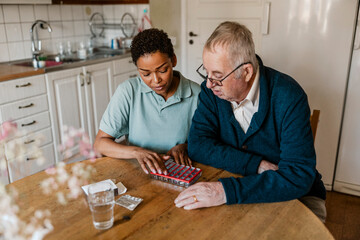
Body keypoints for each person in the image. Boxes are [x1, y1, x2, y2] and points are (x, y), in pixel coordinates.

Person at [174, 21, 327, 222]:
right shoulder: (211, 92)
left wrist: (224, 191)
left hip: (297, 196)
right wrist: (255, 165)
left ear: (246, 72)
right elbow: (198, 145)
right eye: (206, 72)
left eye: (218, 76)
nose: (209, 83)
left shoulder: (289, 95)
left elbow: (297, 176)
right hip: (241, 182)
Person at [94, 28, 200, 175]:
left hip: (181, 173)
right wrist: (137, 152)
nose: (156, 81)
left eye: (162, 70)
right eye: (146, 74)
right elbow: (100, 143)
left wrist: (186, 146)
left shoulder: (197, 94)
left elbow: (210, 141)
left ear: (173, 60)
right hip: (138, 172)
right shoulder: (128, 91)